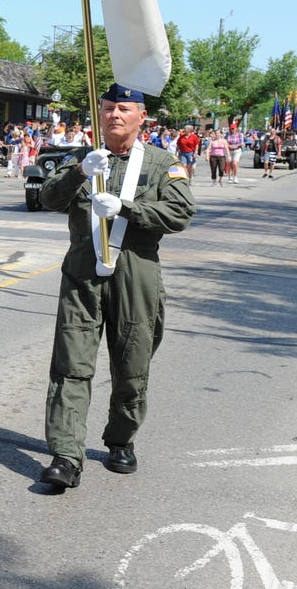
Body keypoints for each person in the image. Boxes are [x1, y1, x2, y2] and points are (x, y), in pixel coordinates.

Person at [35, 84, 196, 489]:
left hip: (135, 271)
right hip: (82, 273)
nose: (115, 115)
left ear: (142, 116)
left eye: (124, 108)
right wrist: (79, 172)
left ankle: (121, 439)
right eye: (108, 108)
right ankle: (66, 455)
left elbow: (180, 212)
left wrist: (127, 208)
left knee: (131, 363)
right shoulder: (82, 157)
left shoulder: (161, 162)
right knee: (71, 364)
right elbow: (48, 198)